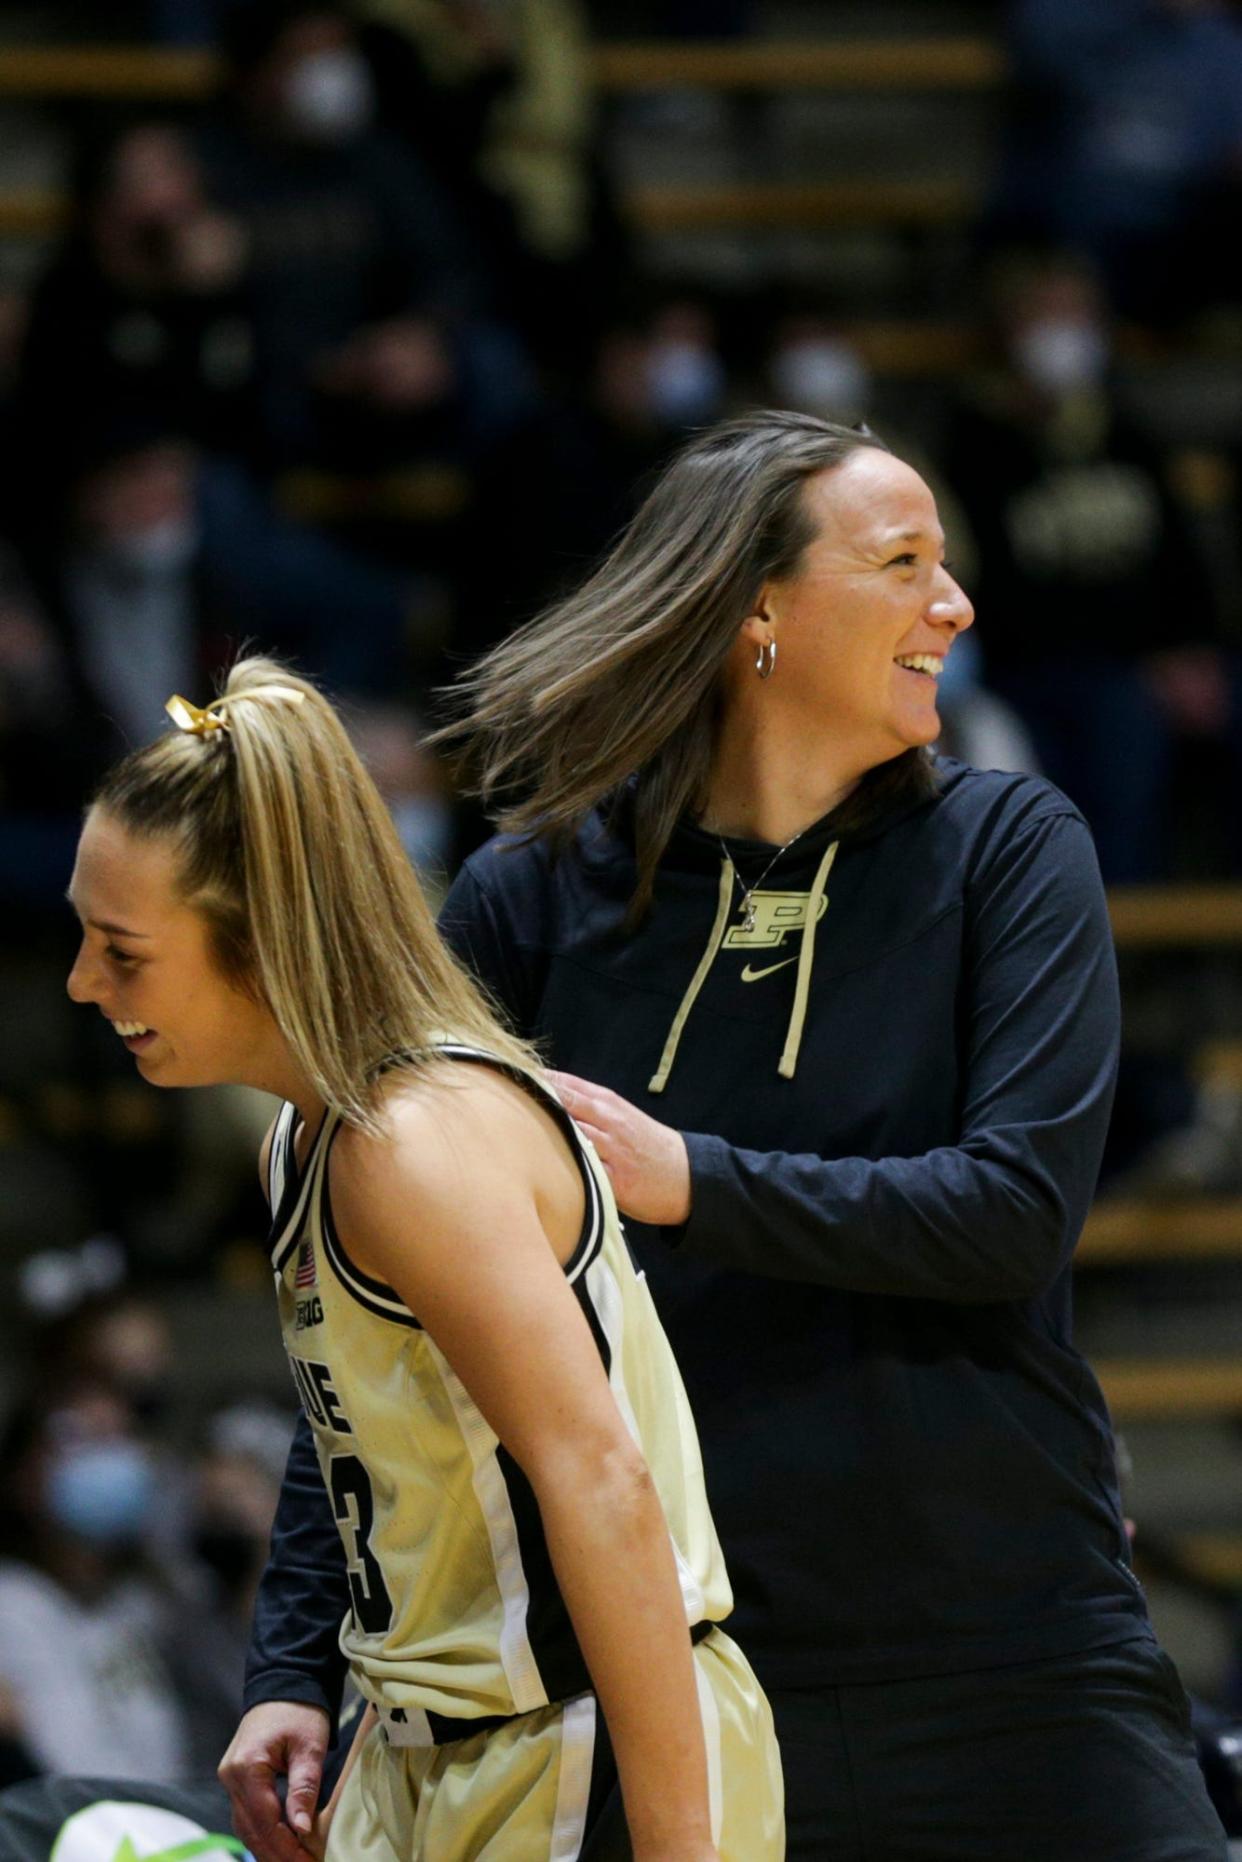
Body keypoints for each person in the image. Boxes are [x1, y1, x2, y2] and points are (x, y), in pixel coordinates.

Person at [230, 411, 1230, 1859]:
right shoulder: (526, 900)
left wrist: (686, 1179)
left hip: (1010, 1640)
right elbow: (380, 1325)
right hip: (675, 1670)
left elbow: (1011, 1210)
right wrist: (291, 1659)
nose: (952, 603)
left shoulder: (1009, 849)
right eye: (901, 563)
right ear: (756, 607)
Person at [63, 658, 783, 1862]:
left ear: (263, 942)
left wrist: (678, 1847)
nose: (85, 983)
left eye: (123, 952)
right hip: (422, 1739)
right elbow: (377, 1466)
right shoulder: (308, 1137)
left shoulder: (417, 1146)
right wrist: (301, 1673)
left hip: (577, 1734)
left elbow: (603, 1483)